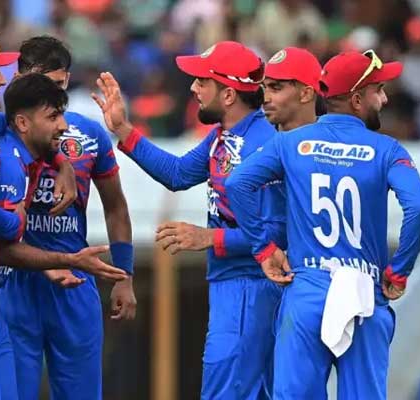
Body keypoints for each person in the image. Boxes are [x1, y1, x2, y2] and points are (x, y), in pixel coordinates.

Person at [226, 50, 420, 399]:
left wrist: (264, 248)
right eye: (378, 90)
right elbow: (419, 207)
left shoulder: (288, 143)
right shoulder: (388, 149)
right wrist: (399, 270)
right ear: (356, 100)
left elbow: (237, 184)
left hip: (307, 291)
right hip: (365, 293)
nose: (384, 99)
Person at [0, 35, 128, 400]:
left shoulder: (77, 135)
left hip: (49, 279)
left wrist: (61, 161)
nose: (1, 80)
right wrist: (14, 223)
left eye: (58, 90)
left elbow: (116, 204)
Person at [93, 41, 286, 399]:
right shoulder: (224, 135)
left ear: (228, 94)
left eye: (202, 81)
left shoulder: (264, 143)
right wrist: (122, 128)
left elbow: (278, 235)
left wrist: (209, 238)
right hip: (232, 285)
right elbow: (178, 173)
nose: (194, 88)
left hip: (251, 287)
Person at [0, 36, 136, 400]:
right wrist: (60, 163)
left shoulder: (88, 134)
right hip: (14, 280)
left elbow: (116, 206)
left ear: (67, 79)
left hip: (74, 280)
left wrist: (125, 275)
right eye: (36, 83)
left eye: (55, 85)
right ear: (17, 78)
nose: (47, 96)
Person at [263, 47, 322, 131]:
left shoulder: (334, 138)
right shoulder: (254, 137)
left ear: (306, 94)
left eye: (275, 88)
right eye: (264, 87)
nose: (265, 99)